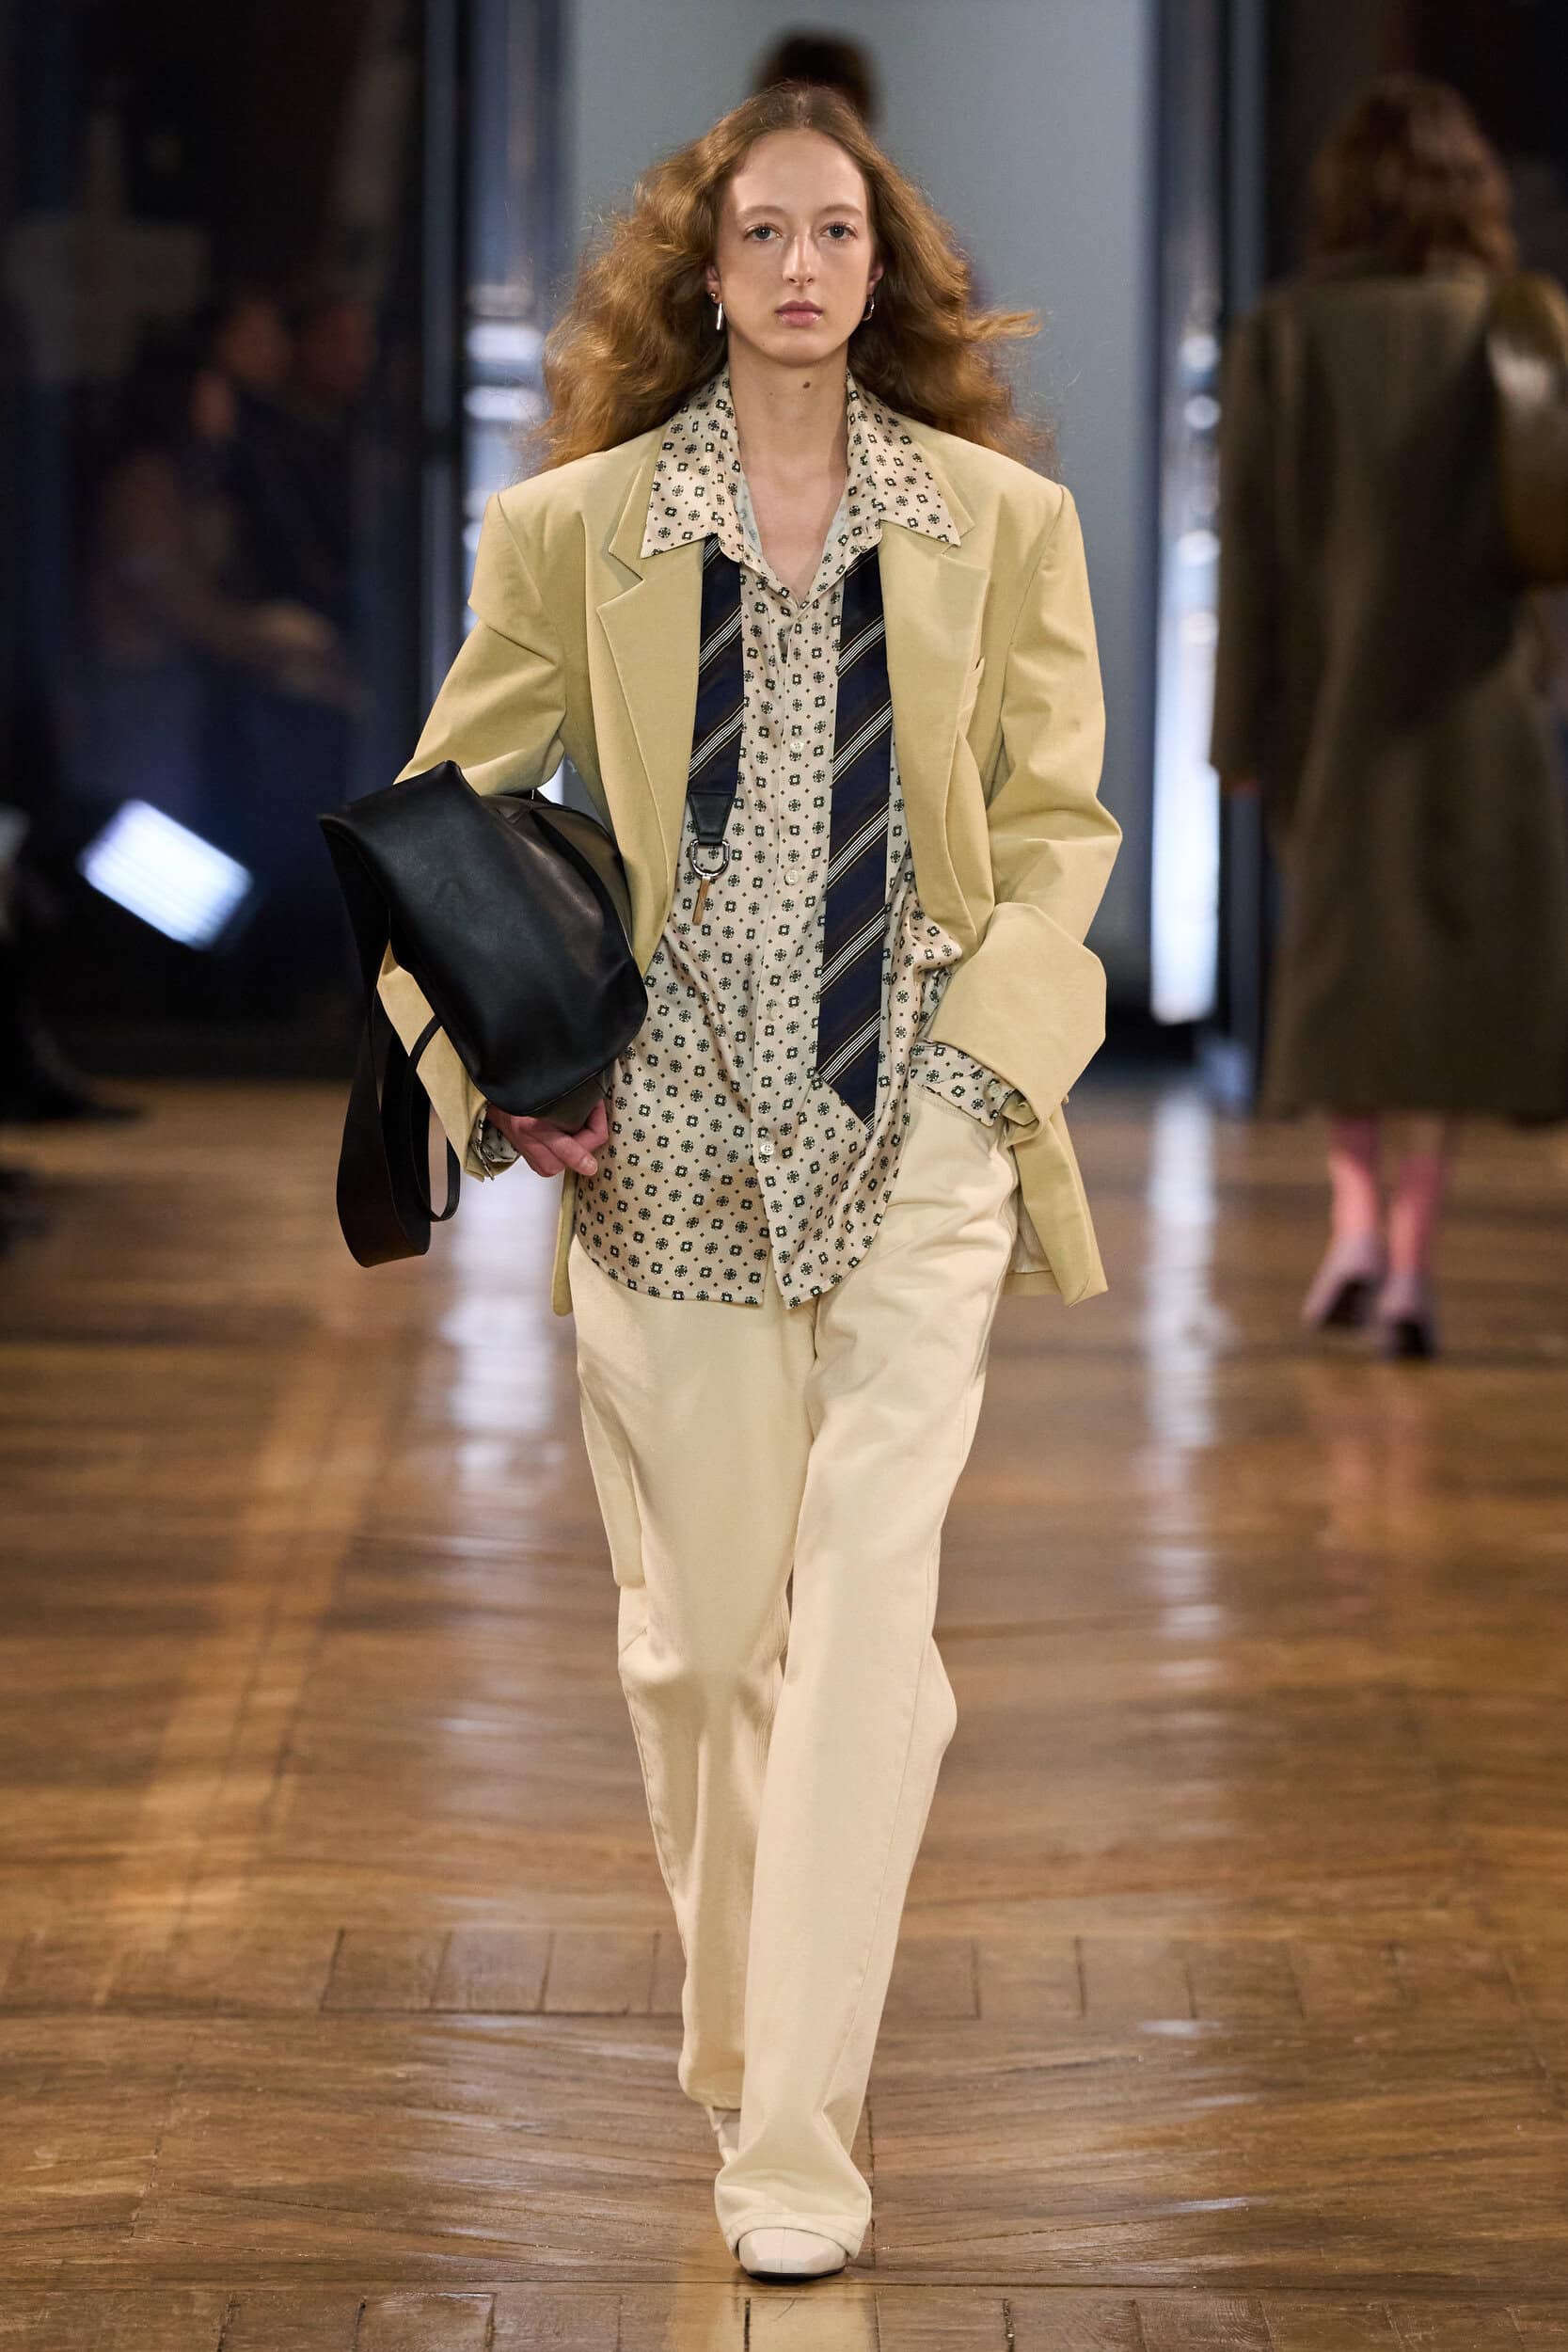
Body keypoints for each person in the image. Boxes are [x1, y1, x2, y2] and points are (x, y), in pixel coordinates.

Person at [376, 84, 1119, 2280]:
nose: (803, 265)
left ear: (884, 273)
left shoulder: (1002, 526)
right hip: (670, 1148)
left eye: (839, 232)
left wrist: (986, 1078)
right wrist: (493, 1073)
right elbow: (442, 820)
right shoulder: (576, 531)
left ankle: (794, 2132)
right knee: (705, 1657)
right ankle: (758, 2022)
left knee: (870, 1613)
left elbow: (1059, 829)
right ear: (702, 275)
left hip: (919, 1136)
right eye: (765, 233)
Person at [1210, 72, 1568, 1359]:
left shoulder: (1285, 335)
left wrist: (1237, 736)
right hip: (1479, 701)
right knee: (1448, 990)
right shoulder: (1515, 325)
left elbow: (1251, 556)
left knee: (1345, 972)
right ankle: (1412, 1256)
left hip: (1331, 711)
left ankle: (1353, 1217)